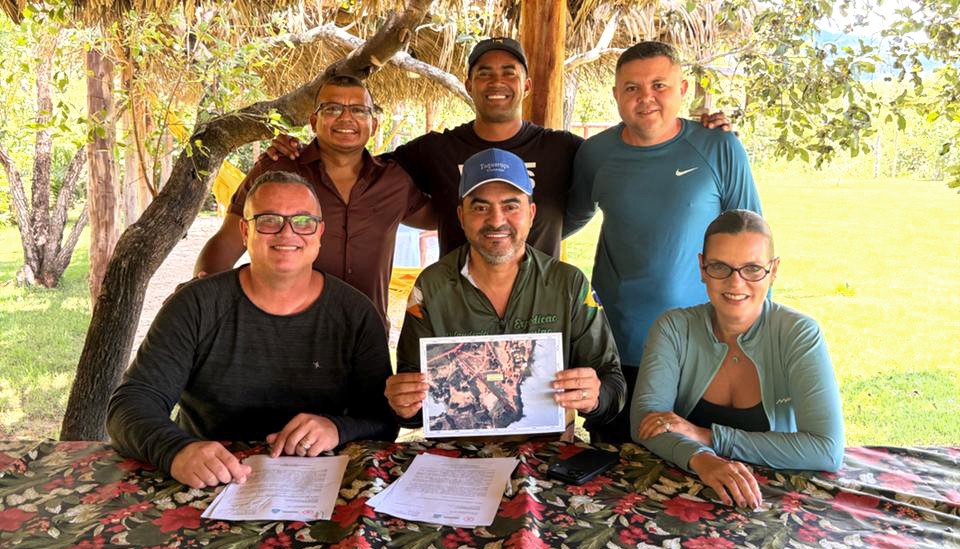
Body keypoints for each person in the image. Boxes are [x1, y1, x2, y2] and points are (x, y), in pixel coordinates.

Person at [268, 38, 731, 259]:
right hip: (460, 304)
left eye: (509, 72)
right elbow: (358, 166)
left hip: (541, 306)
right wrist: (296, 151)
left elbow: (620, 166)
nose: (497, 81)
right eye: (484, 73)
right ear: (469, 84)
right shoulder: (434, 150)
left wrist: (698, 133)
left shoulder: (565, 148)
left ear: (526, 85)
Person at [108, 172, 398, 489]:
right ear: (245, 231)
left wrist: (336, 428)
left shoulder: (355, 313)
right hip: (207, 479)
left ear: (319, 233)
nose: (287, 233)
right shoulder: (195, 305)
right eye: (269, 221)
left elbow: (383, 418)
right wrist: (176, 450)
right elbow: (131, 404)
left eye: (303, 222)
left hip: (320, 483)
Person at [563, 41, 762, 442]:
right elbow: (566, 218)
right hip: (618, 345)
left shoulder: (719, 147)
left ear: (682, 89)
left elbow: (752, 241)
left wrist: (756, 336)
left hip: (704, 344)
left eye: (659, 85)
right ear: (616, 94)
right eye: (632, 88)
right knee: (616, 462)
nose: (646, 97)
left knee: (700, 462)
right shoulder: (595, 153)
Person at [383, 148, 626, 438]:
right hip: (459, 457)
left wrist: (596, 397)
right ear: (461, 216)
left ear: (531, 214)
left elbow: (613, 384)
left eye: (511, 206)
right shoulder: (431, 287)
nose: (497, 221)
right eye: (480, 208)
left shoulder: (569, 285)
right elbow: (414, 397)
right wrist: (404, 404)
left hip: (548, 454)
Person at [630, 209, 844, 508]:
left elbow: (826, 449)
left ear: (774, 270)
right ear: (702, 267)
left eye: (752, 269)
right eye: (720, 266)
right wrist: (702, 460)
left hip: (773, 500)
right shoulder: (673, 328)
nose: (736, 282)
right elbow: (645, 423)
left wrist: (707, 437)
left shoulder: (799, 333)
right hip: (683, 495)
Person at [194, 75, 434, 324]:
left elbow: (447, 218)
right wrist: (201, 298)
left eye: (359, 110)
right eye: (332, 108)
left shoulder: (394, 182)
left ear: (373, 125)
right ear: (313, 121)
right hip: (285, 335)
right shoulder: (276, 170)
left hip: (367, 336)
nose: (346, 118)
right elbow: (225, 244)